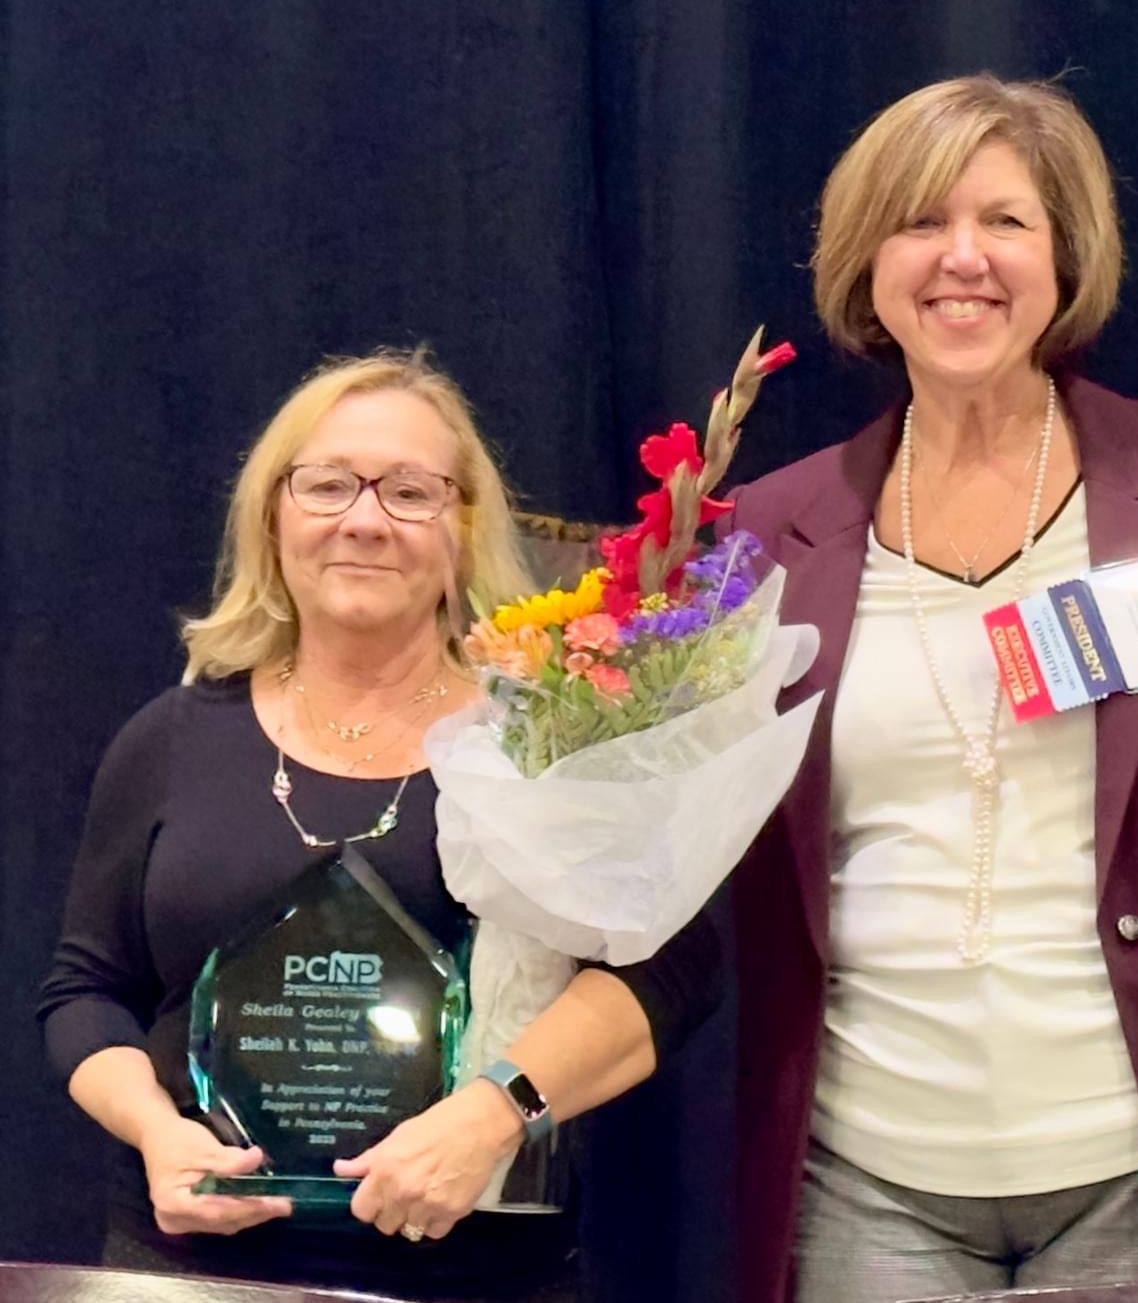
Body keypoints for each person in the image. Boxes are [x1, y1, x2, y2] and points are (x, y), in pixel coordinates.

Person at [726, 74, 1138, 1302]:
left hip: (1136, 1157)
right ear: (866, 263)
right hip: (864, 1167)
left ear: (1064, 255)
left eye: (1005, 221)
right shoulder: (773, 531)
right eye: (919, 221)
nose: (960, 258)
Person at [38, 349, 721, 1302]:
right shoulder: (172, 737)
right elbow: (85, 989)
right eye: (327, 485)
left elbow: (674, 969)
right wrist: (156, 1131)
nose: (363, 520)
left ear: (463, 528)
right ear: (273, 515)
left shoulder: (547, 732)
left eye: (409, 491)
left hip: (477, 1276)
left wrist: (495, 1113)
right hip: (192, 1270)